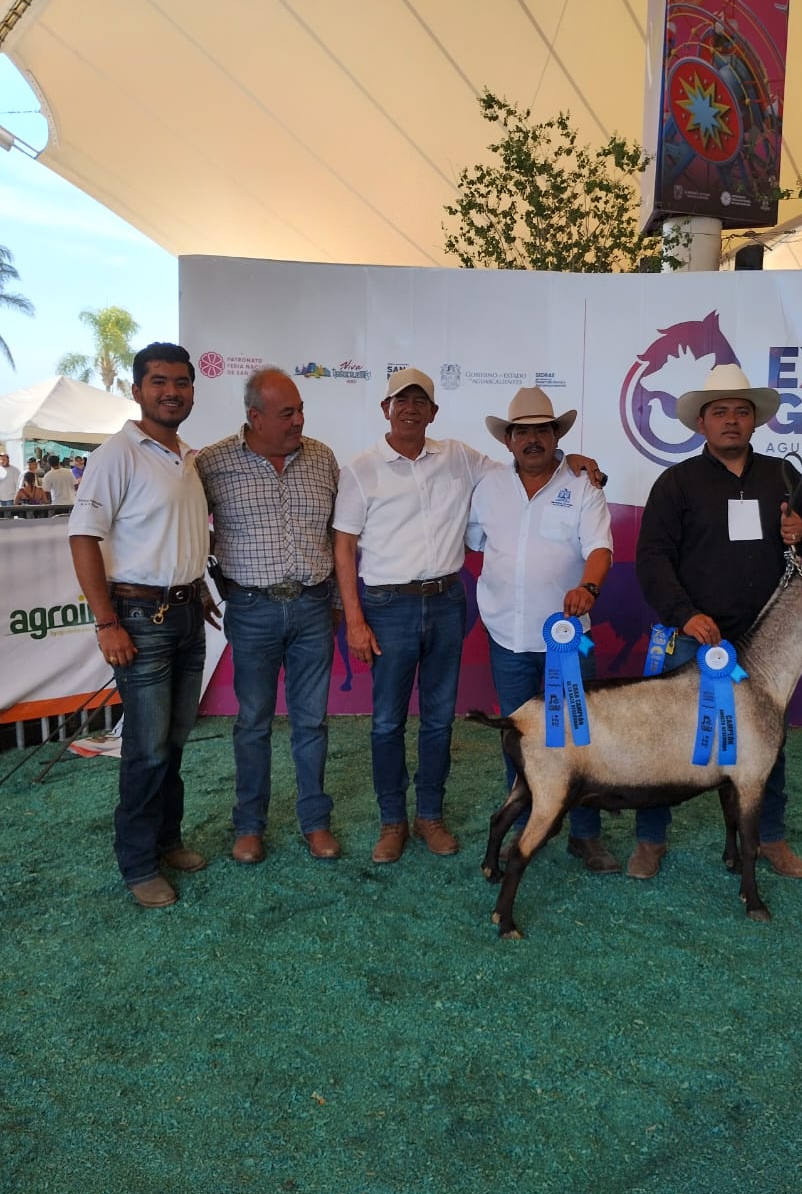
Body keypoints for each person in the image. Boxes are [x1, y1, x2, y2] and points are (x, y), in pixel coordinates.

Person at [334, 368, 602, 864]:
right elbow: (344, 545)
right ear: (385, 409)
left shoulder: (461, 457)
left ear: (434, 412)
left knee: (438, 720)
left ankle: (430, 817)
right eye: (401, 401)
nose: (411, 409)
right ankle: (393, 822)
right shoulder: (360, 469)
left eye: (421, 402)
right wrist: (353, 618)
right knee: (388, 722)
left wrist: (574, 461)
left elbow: (528, 464)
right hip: (387, 607)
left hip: (445, 602)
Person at [633, 364, 802, 880]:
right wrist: (686, 614)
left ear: (755, 421)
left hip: (765, 642)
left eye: (741, 411)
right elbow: (652, 558)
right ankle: (650, 840)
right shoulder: (676, 482)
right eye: (719, 412)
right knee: (663, 740)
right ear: (701, 423)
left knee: (768, 738)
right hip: (695, 633)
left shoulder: (782, 477)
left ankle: (770, 838)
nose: (731, 421)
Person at [68, 342, 219, 908]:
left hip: (184, 614)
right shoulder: (117, 455)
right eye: (158, 382)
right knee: (147, 748)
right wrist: (106, 622)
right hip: (136, 616)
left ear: (191, 391)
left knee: (174, 742)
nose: (171, 391)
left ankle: (167, 840)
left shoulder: (186, 456)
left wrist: (195, 586)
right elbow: (84, 538)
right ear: (136, 391)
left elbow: (173, 533)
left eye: (180, 382)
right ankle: (136, 864)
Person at [466, 386, 618, 873]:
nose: (532, 439)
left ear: (557, 435)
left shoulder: (583, 484)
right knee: (518, 741)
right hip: (507, 640)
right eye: (522, 431)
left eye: (542, 430)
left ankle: (586, 835)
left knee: (578, 740)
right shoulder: (487, 485)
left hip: (568, 642)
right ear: (508, 439)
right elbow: (473, 540)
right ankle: (529, 824)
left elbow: (600, 550)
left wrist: (588, 590)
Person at [195, 367, 342, 866]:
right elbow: (187, 527)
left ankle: (315, 823)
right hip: (252, 610)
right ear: (254, 417)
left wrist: (339, 604)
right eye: (287, 413)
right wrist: (198, 583)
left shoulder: (322, 458)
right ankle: (249, 825)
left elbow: (339, 538)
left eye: (300, 409)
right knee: (253, 722)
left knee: (312, 723)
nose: (299, 420)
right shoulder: (212, 463)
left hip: (313, 606)